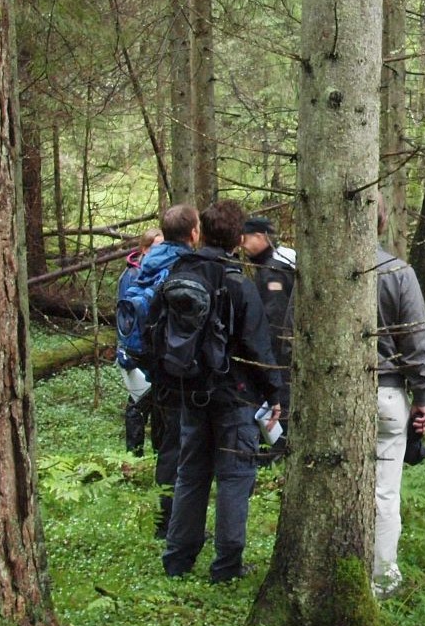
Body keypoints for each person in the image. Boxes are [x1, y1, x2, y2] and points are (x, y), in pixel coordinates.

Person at [161, 199, 285, 583]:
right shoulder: (238, 284)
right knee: (235, 477)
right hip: (235, 395)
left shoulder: (180, 272)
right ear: (235, 238)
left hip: (191, 391)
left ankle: (178, 560)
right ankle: (226, 567)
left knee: (191, 473)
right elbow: (257, 346)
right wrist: (274, 394)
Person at [122, 208, 198, 537]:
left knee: (168, 445)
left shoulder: (145, 266)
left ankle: (166, 520)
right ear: (193, 233)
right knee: (182, 446)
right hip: (182, 367)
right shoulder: (185, 266)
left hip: (157, 365)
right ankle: (174, 525)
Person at [371, 197, 425, 598]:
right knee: (384, 493)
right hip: (388, 395)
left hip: (334, 396)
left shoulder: (321, 269)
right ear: (383, 220)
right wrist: (423, 394)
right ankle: (381, 578)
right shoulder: (397, 273)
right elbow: (416, 339)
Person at [239, 215, 298, 417]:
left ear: (259, 236)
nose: (242, 245)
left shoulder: (275, 271)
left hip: (280, 360)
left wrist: (268, 366)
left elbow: (276, 320)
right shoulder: (273, 265)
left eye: (245, 239)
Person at [120, 228, 166, 457]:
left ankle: (159, 453)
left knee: (159, 403)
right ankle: (134, 454)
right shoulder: (131, 276)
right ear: (145, 249)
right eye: (156, 247)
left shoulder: (162, 274)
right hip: (135, 350)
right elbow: (125, 316)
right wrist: (126, 351)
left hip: (155, 350)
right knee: (138, 403)